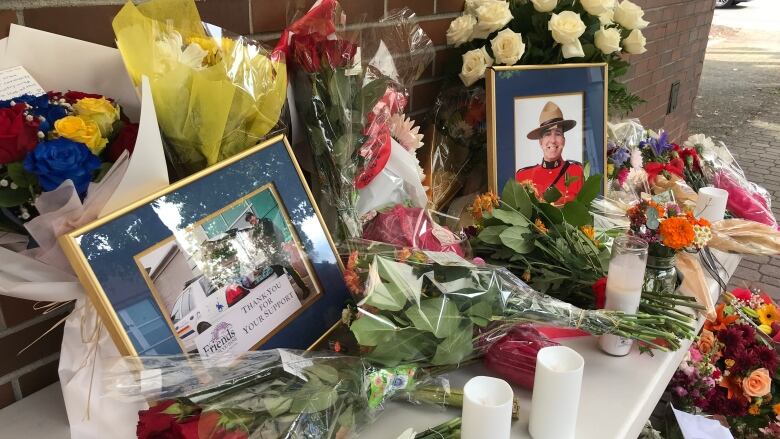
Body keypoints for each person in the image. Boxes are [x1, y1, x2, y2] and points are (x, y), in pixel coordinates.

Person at [515, 101, 584, 204]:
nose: (553, 140)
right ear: (540, 142)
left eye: (558, 134)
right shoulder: (523, 176)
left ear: (563, 140)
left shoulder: (577, 172)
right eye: (547, 134)